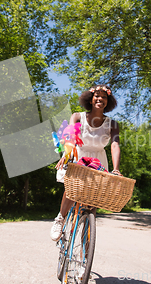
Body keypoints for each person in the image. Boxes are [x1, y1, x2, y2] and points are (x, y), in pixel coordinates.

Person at [50, 84, 121, 241]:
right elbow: (70, 136)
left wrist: (116, 169)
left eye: (104, 96)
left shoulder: (113, 124)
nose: (100, 99)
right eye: (97, 95)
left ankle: (86, 246)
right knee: (72, 189)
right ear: (90, 99)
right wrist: (67, 154)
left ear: (107, 101)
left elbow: (115, 145)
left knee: (92, 203)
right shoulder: (77, 117)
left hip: (98, 161)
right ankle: (60, 219)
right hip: (78, 155)